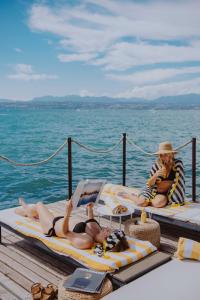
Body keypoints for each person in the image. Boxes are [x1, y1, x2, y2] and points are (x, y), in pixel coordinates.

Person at [15, 198, 129, 253]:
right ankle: (28, 212)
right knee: (36, 210)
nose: (108, 228)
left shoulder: (86, 241)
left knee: (38, 205)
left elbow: (66, 233)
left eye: (109, 232)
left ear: (106, 239)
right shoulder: (98, 230)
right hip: (61, 219)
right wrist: (90, 208)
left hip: (52, 226)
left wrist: (67, 212)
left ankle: (24, 209)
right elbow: (91, 220)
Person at [132, 141, 185, 208]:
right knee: (141, 204)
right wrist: (156, 175)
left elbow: (180, 182)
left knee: (158, 204)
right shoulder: (157, 165)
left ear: (171, 154)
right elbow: (149, 184)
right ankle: (131, 197)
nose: (163, 157)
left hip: (166, 194)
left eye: (165, 154)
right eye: (161, 155)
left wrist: (168, 184)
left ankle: (146, 200)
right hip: (153, 190)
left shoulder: (177, 164)